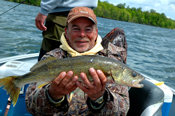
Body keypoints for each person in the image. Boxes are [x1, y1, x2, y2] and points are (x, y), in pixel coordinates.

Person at [26, 7, 129, 115]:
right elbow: (30, 106)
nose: (82, 34)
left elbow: (122, 112)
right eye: (76, 29)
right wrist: (52, 95)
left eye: (88, 29)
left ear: (95, 33)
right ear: (66, 31)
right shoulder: (52, 58)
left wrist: (99, 98)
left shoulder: (110, 63)